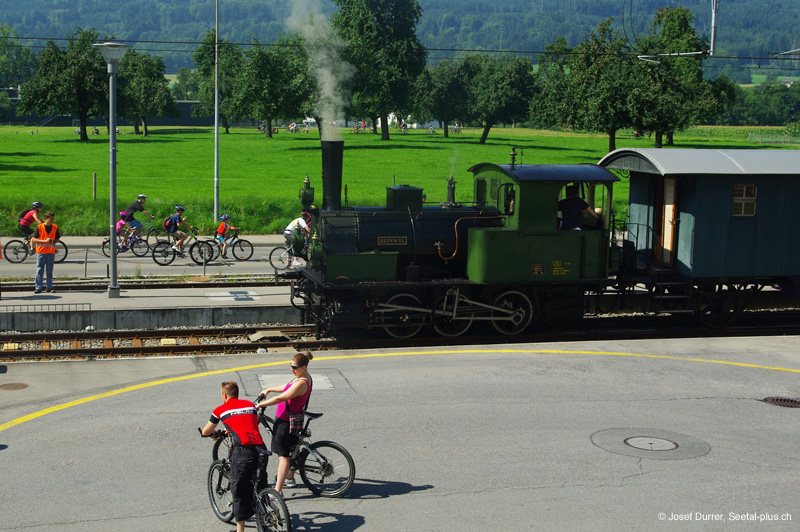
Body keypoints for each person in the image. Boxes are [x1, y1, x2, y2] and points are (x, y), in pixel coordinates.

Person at [201, 381, 265, 532]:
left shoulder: (220, 410)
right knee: (260, 484)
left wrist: (217, 433)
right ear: (237, 394)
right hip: (261, 449)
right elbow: (248, 424)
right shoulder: (250, 405)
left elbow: (205, 431)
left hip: (242, 452)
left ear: (224, 395)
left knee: (238, 490)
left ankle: (240, 530)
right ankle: (263, 520)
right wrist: (229, 429)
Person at [256, 352, 314, 494]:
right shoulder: (301, 377)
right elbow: (286, 387)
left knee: (283, 456)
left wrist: (259, 405)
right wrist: (269, 389)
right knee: (293, 448)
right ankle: (289, 478)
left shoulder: (301, 383)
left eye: (294, 367)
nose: (291, 370)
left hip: (285, 422)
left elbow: (281, 398)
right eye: (291, 366)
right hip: (290, 418)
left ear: (304, 367)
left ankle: (277, 490)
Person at [32, 211, 60, 294]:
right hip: (41, 252)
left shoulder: (54, 227)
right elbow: (34, 239)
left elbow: (57, 238)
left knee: (49, 270)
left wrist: (55, 241)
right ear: (46, 218)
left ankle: (49, 287)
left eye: (53, 218)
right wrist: (44, 241)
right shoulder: (40, 227)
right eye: (51, 218)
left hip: (50, 252)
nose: (52, 220)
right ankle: (38, 287)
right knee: (40, 269)